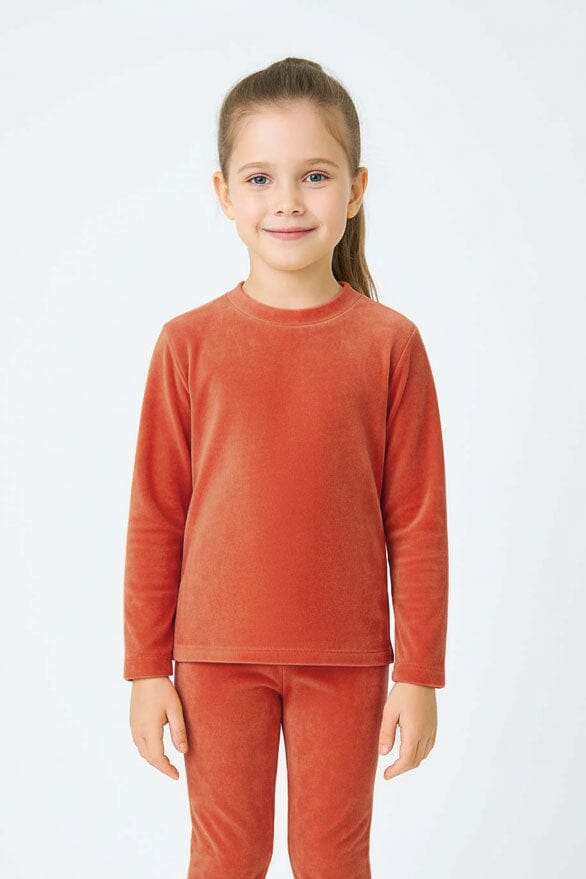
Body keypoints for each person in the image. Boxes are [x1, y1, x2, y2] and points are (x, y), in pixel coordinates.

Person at [123, 56, 449, 879]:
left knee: (333, 860)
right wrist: (145, 668)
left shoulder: (391, 345)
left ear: (356, 189)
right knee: (227, 857)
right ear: (225, 193)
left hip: (347, 661)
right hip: (212, 659)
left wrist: (419, 674)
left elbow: (418, 522)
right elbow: (157, 514)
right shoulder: (187, 344)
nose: (289, 201)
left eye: (315, 175)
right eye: (261, 177)